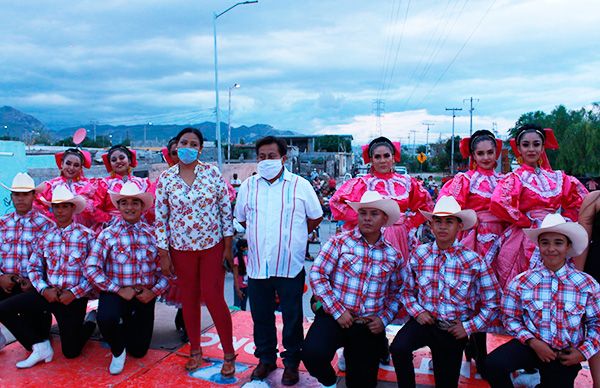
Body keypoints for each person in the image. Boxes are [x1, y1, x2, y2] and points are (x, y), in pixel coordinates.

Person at [234, 136, 323, 385]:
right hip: (258, 264)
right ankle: (265, 359)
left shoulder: (300, 185)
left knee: (292, 318)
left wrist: (294, 238)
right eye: (261, 156)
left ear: (283, 158)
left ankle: (292, 363)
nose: (266, 161)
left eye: (271, 156)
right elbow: (242, 219)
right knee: (261, 316)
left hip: (289, 265)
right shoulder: (248, 186)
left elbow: (315, 217)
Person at [390, 196, 501, 388]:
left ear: (459, 227)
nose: (442, 227)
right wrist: (418, 312)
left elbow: (493, 302)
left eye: (449, 221)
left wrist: (468, 327)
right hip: (424, 321)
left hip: (452, 328)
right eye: (438, 221)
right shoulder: (419, 254)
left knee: (446, 381)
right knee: (399, 348)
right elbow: (406, 291)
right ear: (431, 226)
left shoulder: (473, 261)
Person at [154, 127, 236, 375]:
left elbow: (225, 212)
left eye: (193, 143)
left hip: (212, 247)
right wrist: (164, 254)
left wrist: (228, 247)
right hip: (180, 250)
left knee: (214, 299)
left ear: (200, 148)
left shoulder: (211, 174)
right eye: (183, 142)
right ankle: (195, 351)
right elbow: (161, 218)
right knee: (188, 300)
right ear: (176, 146)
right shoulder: (166, 179)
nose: (187, 147)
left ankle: (229, 353)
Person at [485, 213, 600, 388]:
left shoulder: (587, 284)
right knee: (492, 365)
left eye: (558, 242)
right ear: (538, 246)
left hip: (564, 354)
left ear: (568, 246)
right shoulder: (522, 282)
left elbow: (597, 324)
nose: (551, 248)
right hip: (531, 345)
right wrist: (533, 342)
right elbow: (509, 318)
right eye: (545, 242)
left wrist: (582, 353)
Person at [303, 191, 404, 388]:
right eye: (363, 212)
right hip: (334, 317)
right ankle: (331, 383)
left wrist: (383, 319)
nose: (367, 218)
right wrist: (338, 310)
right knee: (312, 354)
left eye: (374, 213)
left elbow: (397, 292)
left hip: (367, 325)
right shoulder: (339, 242)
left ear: (384, 219)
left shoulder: (393, 255)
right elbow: (317, 274)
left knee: (363, 383)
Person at [0, 185, 95, 368]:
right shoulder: (46, 237)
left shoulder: (87, 236)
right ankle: (40, 345)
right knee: (3, 308)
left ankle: (90, 322)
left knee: (71, 352)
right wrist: (44, 289)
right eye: (56, 207)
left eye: (65, 206)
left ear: (73, 208)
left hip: (72, 298)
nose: (60, 211)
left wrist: (74, 293)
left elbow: (94, 272)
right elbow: (34, 267)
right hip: (48, 294)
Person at [439, 129, 507, 369]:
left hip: (502, 241)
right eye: (481, 153)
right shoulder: (464, 180)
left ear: (497, 153)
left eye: (490, 152)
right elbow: (447, 207)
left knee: (496, 292)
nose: (487, 157)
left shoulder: (506, 180)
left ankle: (479, 348)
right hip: (474, 238)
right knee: (473, 292)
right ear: (473, 155)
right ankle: (476, 349)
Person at [490, 124, 587, 289]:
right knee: (522, 277)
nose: (531, 149)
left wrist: (565, 222)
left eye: (536, 144)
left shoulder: (558, 177)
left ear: (543, 147)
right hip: (525, 235)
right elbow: (500, 202)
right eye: (526, 145)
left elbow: (580, 199)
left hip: (555, 229)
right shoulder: (515, 177)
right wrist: (526, 222)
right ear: (519, 149)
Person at [85, 181, 168, 375]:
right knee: (107, 318)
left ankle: (127, 325)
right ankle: (117, 349)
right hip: (116, 292)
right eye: (124, 203)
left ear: (142, 207)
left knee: (139, 351)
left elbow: (167, 272)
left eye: (134, 203)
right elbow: (91, 267)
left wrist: (153, 292)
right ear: (118, 206)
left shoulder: (154, 235)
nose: (129, 207)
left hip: (144, 295)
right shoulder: (107, 234)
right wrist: (117, 289)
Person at [330, 136, 433, 261]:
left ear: (393, 158)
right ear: (371, 160)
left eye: (386, 155)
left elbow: (426, 205)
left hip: (400, 234)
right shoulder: (362, 183)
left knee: (398, 273)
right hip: (369, 235)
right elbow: (336, 203)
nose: (382, 160)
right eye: (377, 157)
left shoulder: (406, 182)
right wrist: (365, 220)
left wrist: (410, 223)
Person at [0, 173, 54, 352]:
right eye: (17, 194)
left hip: (33, 287)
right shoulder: (2, 223)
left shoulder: (46, 225)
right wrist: (1, 277)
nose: (21, 198)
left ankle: (39, 344)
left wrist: (36, 281)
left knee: (38, 336)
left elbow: (53, 262)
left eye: (25, 194)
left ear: (33, 196)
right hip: (6, 282)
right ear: (11, 197)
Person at [34, 148, 106, 228]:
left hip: (84, 233)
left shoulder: (90, 186)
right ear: (62, 164)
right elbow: (35, 204)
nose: (71, 168)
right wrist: (52, 219)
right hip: (57, 232)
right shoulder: (50, 185)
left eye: (76, 165)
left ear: (80, 168)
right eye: (68, 163)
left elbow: (101, 209)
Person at [573, 190, 600, 386]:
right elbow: (583, 242)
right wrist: (578, 280)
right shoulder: (594, 199)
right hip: (597, 270)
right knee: (596, 328)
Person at [94, 144, 153, 227]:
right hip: (112, 227)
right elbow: (96, 208)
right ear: (110, 164)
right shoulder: (104, 184)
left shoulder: (142, 182)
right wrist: (111, 220)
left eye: (121, 158)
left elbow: (150, 206)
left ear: (129, 160)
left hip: (139, 226)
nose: (118, 161)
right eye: (114, 160)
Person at [232, 238, 249, 311]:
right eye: (246, 247)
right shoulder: (236, 259)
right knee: (237, 306)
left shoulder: (247, 257)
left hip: (246, 285)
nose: (247, 249)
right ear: (242, 248)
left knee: (243, 306)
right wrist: (237, 289)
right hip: (239, 286)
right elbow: (235, 276)